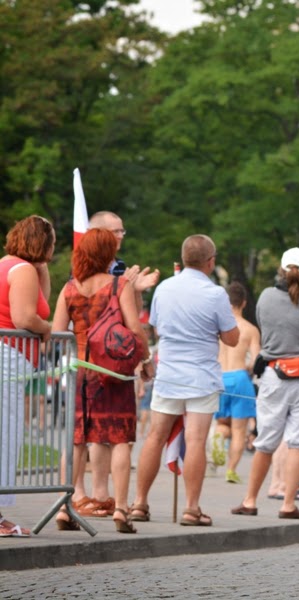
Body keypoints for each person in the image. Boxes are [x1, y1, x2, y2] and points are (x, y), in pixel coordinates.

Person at [130, 235, 239, 527]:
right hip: (200, 376)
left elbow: (154, 327)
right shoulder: (215, 294)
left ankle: (140, 502)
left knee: (154, 436)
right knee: (195, 440)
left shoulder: (165, 288)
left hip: (169, 373)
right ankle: (191, 508)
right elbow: (232, 338)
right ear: (211, 261)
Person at [51, 228, 152, 533]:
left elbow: (57, 332)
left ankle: (64, 507)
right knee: (120, 439)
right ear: (107, 253)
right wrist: (145, 361)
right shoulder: (118, 286)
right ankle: (121, 508)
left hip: (81, 374)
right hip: (114, 374)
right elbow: (135, 329)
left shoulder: (70, 288)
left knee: (77, 439)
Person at [231, 248, 299, 520]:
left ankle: (249, 500)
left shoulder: (266, 297)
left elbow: (265, 329)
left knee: (265, 442)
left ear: (282, 270)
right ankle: (287, 504)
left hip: (275, 373)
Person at [76, 211, 160, 519]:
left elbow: (131, 317)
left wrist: (136, 291)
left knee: (103, 435)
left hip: (109, 364)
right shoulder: (85, 273)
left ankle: (102, 498)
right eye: (115, 231)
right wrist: (146, 358)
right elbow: (132, 325)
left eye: (123, 230)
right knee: (106, 436)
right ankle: (108, 501)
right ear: (97, 234)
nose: (121, 236)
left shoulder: (118, 272)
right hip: (98, 366)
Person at [0, 215, 55, 538]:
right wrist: (48, 329)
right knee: (5, 434)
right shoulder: (20, 270)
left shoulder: (11, 266)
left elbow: (41, 300)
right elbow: (25, 316)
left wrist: (42, 265)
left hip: (11, 359)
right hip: (9, 358)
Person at [213, 282, 261, 484]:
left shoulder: (217, 326)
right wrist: (249, 367)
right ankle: (231, 470)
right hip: (240, 377)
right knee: (239, 430)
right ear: (243, 303)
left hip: (220, 377)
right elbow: (257, 359)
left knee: (222, 423)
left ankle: (218, 438)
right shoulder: (250, 329)